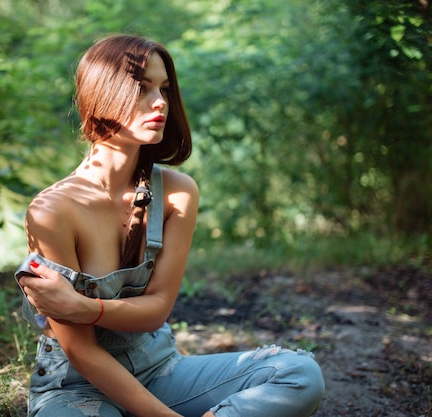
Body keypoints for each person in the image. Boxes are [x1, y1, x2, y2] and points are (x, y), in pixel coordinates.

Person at [16, 34, 325, 417]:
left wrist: (83, 306)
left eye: (164, 88)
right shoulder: (52, 210)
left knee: (298, 374)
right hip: (77, 389)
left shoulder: (178, 192)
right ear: (100, 95)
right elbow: (80, 351)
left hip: (160, 371)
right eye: (143, 88)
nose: (160, 101)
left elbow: (156, 309)